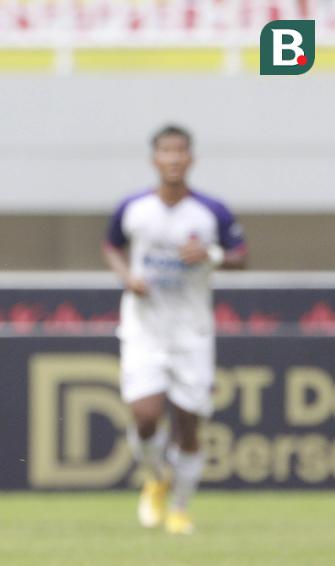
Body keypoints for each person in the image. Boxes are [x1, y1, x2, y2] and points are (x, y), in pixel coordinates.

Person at [103, 125, 247, 535]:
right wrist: (126, 275)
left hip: (192, 332)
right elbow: (110, 244)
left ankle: (180, 507)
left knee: (189, 423)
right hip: (145, 327)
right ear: (155, 159)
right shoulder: (133, 207)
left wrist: (212, 254)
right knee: (145, 415)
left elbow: (242, 255)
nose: (173, 158)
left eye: (180, 151)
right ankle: (154, 478)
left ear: (190, 159)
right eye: (166, 151)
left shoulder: (210, 211)